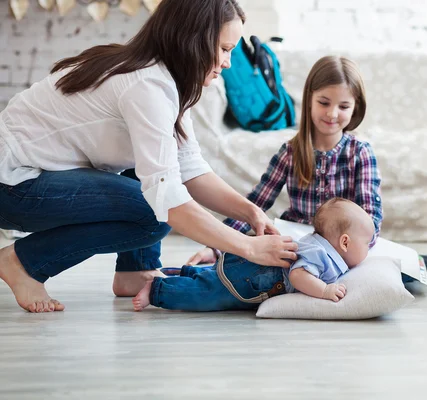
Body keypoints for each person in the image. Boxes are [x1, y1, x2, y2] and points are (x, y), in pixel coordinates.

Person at [0, 0, 297, 313]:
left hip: (32, 176)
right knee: (153, 215)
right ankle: (23, 262)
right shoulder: (147, 84)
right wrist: (249, 247)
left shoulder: (167, 80)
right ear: (192, 39)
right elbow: (169, 200)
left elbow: (189, 169)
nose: (228, 63)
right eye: (224, 49)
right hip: (13, 183)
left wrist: (251, 213)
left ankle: (135, 270)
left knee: (152, 176)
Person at [185, 55, 427, 279]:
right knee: (248, 270)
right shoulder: (290, 151)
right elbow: (256, 204)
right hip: (299, 242)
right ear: (309, 99)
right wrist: (216, 247)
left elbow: (371, 215)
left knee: (394, 274)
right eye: (324, 102)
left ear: (355, 108)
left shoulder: (360, 153)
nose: (332, 114)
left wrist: (354, 250)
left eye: (343, 106)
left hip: (345, 249)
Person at [133, 198, 373, 311]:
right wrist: (324, 291)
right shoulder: (321, 254)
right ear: (345, 242)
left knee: (214, 280)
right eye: (367, 243)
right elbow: (299, 276)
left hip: (252, 272)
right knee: (208, 294)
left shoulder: (320, 244)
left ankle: (183, 273)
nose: (370, 248)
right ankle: (157, 290)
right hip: (252, 280)